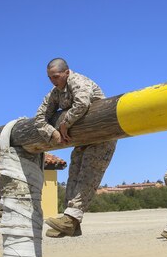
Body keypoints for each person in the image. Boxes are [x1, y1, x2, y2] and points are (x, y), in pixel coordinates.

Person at [35, 58, 117, 238]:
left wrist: (64, 123)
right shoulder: (55, 93)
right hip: (82, 139)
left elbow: (82, 103)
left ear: (66, 72)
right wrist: (53, 133)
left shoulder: (78, 81)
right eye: (49, 78)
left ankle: (71, 219)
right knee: (74, 174)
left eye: (55, 77)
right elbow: (39, 118)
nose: (53, 81)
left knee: (88, 175)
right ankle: (70, 221)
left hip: (102, 136)